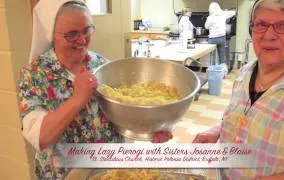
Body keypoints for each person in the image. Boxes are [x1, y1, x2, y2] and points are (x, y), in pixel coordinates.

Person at [18, 0, 171, 179]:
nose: (82, 40)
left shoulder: (102, 65)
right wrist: (77, 99)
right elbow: (40, 137)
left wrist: (149, 129)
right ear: (52, 36)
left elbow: (123, 118)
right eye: (71, 35)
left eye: (87, 30)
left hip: (112, 172)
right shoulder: (34, 75)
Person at [193, 0, 284, 179]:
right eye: (261, 24)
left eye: (283, 25)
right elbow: (247, 117)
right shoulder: (243, 73)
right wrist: (218, 131)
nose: (269, 35)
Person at [205, 2, 227, 70]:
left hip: (213, 39)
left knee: (212, 57)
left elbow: (206, 27)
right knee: (222, 57)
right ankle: (223, 73)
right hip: (222, 38)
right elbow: (233, 12)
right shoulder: (223, 15)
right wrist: (224, 12)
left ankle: (213, 72)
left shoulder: (210, 17)